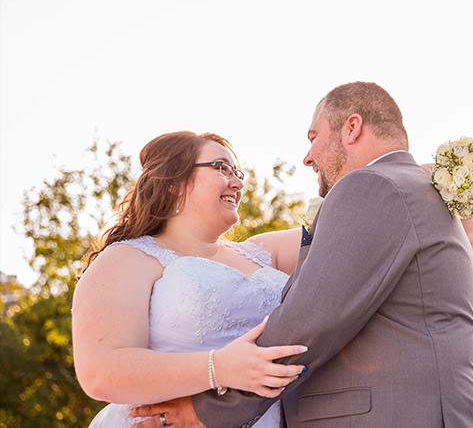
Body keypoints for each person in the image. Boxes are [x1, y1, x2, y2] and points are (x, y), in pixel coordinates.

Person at [132, 82, 473, 427]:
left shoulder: (371, 185)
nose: (308, 158)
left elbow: (310, 322)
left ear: (352, 128)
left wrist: (208, 410)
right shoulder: (415, 187)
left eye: (314, 137)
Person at [72, 131, 308, 428]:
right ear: (174, 183)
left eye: (238, 173)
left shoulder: (263, 252)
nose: (238, 183)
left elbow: (343, 224)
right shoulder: (127, 257)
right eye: (222, 168)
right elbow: (100, 372)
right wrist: (218, 368)